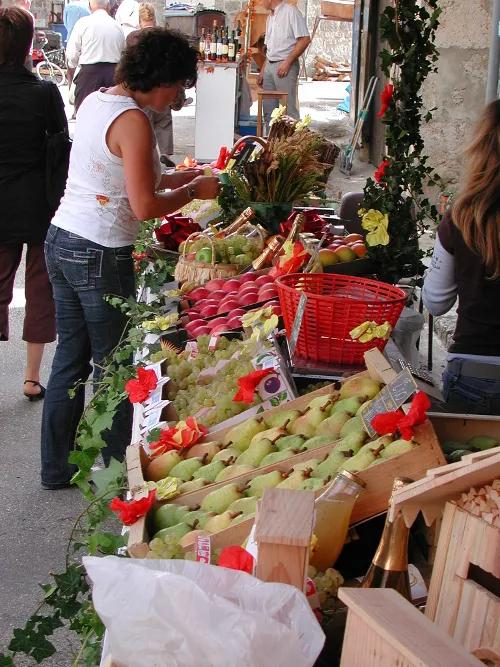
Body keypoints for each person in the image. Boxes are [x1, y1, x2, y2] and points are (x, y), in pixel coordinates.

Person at [41, 28, 221, 490]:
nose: (179, 95)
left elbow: (126, 176)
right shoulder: (134, 121)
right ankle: (121, 476)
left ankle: (55, 468)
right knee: (114, 363)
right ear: (162, 77)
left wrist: (184, 176)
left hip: (63, 238)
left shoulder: (98, 101)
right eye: (180, 84)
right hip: (98, 250)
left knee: (70, 360)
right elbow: (144, 206)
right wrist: (191, 192)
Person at [0, 7, 64, 400]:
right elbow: (60, 150)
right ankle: (30, 377)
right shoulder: (44, 92)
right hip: (40, 204)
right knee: (41, 290)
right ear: (29, 44)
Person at [422, 100, 500, 415]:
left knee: (465, 465)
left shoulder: (461, 218)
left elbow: (435, 303)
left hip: (473, 373)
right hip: (473, 372)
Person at [127, 2, 179, 162]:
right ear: (154, 18)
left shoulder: (132, 38)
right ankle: (165, 153)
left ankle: (148, 153)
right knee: (164, 120)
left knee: (145, 121)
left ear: (139, 19)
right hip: (163, 85)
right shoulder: (164, 36)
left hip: (144, 86)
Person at [258, 0, 310, 132]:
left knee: (287, 111)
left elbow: (304, 39)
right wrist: (264, 69)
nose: (258, 2)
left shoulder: (291, 12)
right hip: (270, 65)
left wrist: (288, 62)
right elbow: (269, 47)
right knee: (269, 112)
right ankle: (271, 147)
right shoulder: (270, 17)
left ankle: (292, 148)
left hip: (285, 65)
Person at [66, 0, 125, 113]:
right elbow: (123, 54)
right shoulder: (117, 26)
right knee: (111, 115)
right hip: (113, 75)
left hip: (89, 74)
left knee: (86, 114)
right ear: (108, 6)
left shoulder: (82, 23)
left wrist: (73, 69)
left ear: (90, 7)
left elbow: (71, 54)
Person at [14, 0, 33, 70]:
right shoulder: (27, 15)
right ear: (25, 1)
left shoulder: (8, 13)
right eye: (30, 1)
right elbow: (29, 35)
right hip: (25, 54)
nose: (30, 3)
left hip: (10, 54)